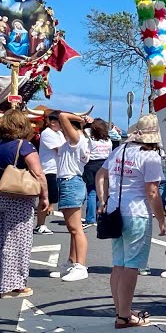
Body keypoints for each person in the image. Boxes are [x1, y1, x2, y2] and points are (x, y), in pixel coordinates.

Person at [96, 114, 166, 327]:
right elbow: (152, 192)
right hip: (137, 212)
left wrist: (102, 200)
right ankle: (125, 316)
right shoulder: (151, 157)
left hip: (115, 211)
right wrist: (162, 220)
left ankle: (121, 310)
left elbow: (101, 174)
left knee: (119, 264)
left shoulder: (120, 150)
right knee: (132, 266)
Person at [0, 109, 49, 299]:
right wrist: (44, 196)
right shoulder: (24, 146)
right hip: (17, 196)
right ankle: (13, 286)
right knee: (17, 241)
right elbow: (38, 173)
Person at [54, 112, 93, 282]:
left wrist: (79, 119)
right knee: (72, 228)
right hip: (69, 182)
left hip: (71, 182)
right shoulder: (75, 141)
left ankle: (81, 265)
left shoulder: (76, 140)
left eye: (65, 128)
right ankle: (72, 262)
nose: (62, 129)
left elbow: (62, 115)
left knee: (76, 228)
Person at [34, 112, 62, 235]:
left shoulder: (59, 133)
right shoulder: (47, 133)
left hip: (57, 170)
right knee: (45, 198)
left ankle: (41, 223)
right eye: (61, 122)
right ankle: (40, 225)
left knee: (52, 198)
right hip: (48, 170)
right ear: (52, 122)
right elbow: (60, 149)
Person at [82, 120, 112, 227]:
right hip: (104, 164)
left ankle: (90, 217)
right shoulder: (108, 140)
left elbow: (86, 152)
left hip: (91, 164)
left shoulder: (90, 140)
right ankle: (101, 213)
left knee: (92, 191)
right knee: (103, 191)